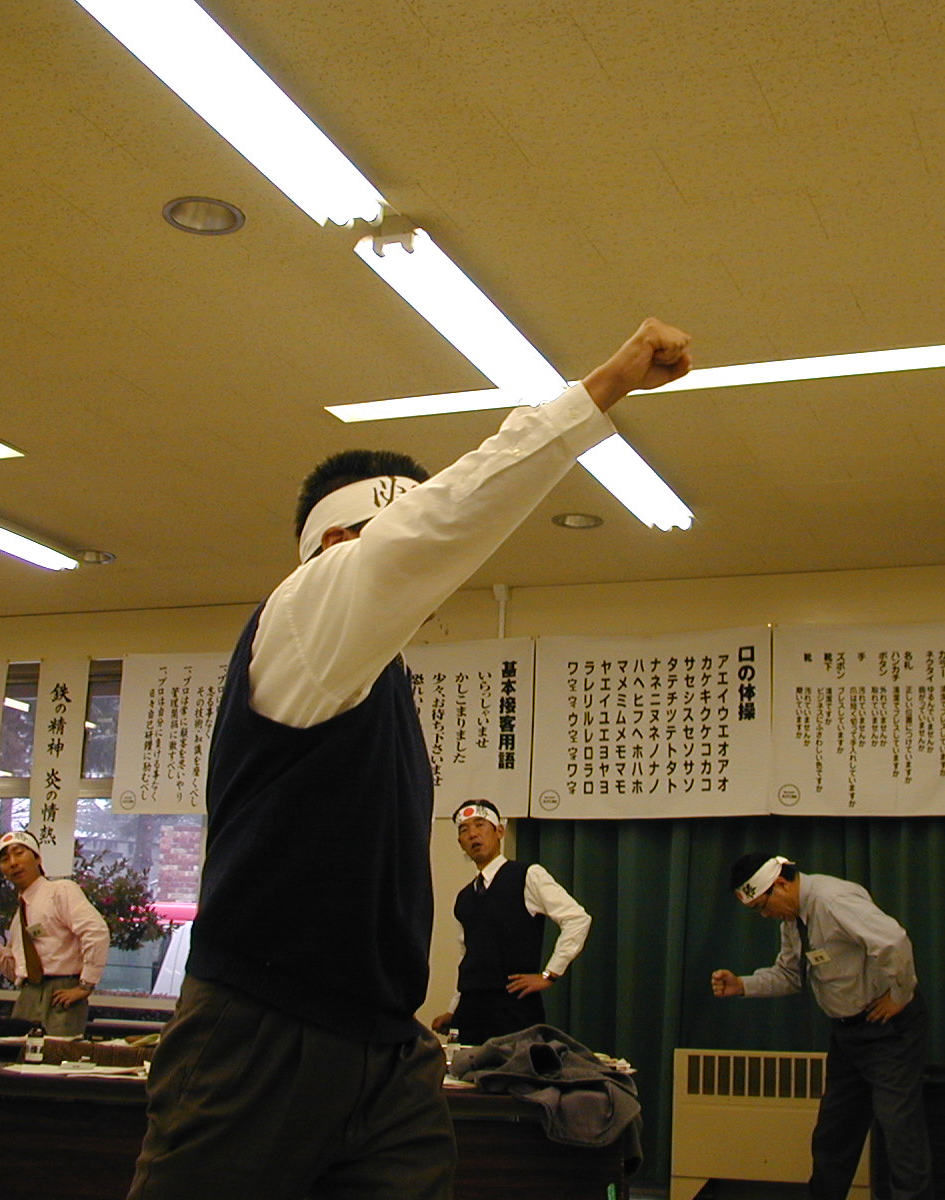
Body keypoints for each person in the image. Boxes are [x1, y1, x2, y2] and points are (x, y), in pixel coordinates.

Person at [127, 317, 693, 1200]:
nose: (423, 568)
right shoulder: (302, 618)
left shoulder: (377, 675)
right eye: (390, 538)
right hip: (260, 1032)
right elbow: (441, 521)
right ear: (332, 549)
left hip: (386, 1045)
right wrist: (601, 390)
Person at [710, 853, 933, 1200]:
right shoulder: (793, 920)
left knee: (899, 1132)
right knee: (833, 1134)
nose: (764, 915)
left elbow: (893, 941)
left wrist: (900, 996)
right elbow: (790, 975)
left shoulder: (833, 900)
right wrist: (742, 985)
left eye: (762, 907)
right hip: (848, 1034)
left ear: (780, 884)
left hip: (889, 1030)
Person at [430, 800, 592, 1044]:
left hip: (513, 1006)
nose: (473, 834)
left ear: (499, 831)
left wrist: (549, 974)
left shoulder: (527, 875)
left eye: (480, 825)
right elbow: (467, 956)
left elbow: (577, 919)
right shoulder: (465, 897)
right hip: (472, 1010)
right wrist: (454, 1009)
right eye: (464, 829)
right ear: (460, 842)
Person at [0, 830, 109, 1036]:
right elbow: (15, 971)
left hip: (61, 993)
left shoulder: (60, 891)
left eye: (19, 853)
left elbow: (96, 931)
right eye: (5, 859)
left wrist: (86, 985)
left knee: (56, 1053)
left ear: (37, 858)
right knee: (20, 1052)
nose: (13, 863)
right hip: (28, 994)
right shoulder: (19, 916)